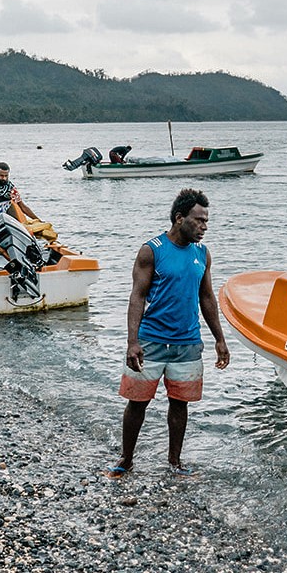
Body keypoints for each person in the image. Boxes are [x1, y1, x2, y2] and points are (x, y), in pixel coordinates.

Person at [109, 188, 230, 478]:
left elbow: (207, 298)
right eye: (198, 220)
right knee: (137, 402)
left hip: (187, 342)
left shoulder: (202, 253)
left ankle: (175, 462)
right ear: (179, 218)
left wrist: (220, 339)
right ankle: (126, 459)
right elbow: (137, 296)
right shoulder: (152, 250)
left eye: (206, 222)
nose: (204, 227)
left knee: (180, 404)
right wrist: (132, 341)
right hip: (151, 341)